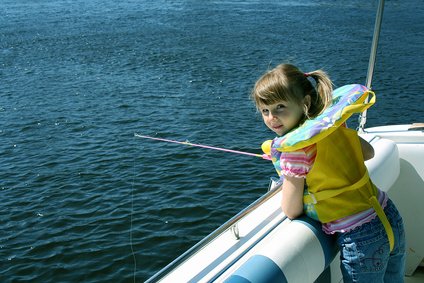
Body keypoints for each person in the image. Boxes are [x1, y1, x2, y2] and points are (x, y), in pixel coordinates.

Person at [251, 63, 406, 282]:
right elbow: (369, 152)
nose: (271, 118)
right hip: (388, 215)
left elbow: (291, 209)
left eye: (280, 107)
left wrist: (288, 170)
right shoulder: (332, 125)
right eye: (265, 111)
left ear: (304, 102)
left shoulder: (296, 151)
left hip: (360, 236)